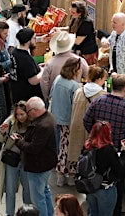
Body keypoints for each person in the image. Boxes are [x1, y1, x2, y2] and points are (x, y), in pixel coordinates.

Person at [12, 97, 57, 216]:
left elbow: (34, 148)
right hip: (46, 164)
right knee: (45, 192)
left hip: (38, 166)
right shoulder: (49, 117)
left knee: (38, 198)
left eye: (28, 110)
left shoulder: (42, 125)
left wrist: (18, 141)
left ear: (35, 110)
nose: (27, 113)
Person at [50, 58, 83, 186]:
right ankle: (69, 175)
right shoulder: (74, 86)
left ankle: (60, 174)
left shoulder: (58, 79)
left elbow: (52, 95)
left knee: (60, 147)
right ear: (75, 69)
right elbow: (75, 105)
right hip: (68, 120)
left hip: (56, 117)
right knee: (69, 148)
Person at [0, 102, 31, 216]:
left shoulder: (33, 124)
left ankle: (27, 212)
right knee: (10, 190)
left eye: (22, 114)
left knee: (28, 190)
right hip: (12, 160)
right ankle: (9, 213)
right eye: (17, 114)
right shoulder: (10, 122)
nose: (20, 117)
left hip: (26, 161)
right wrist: (2, 132)